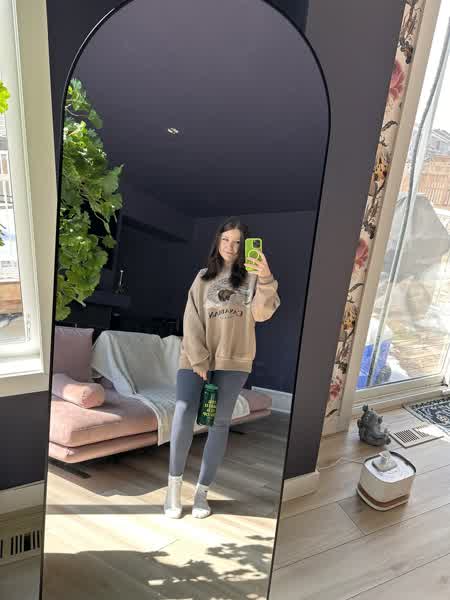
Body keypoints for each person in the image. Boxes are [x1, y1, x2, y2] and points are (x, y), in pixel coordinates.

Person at [163, 216, 280, 518]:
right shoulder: (203, 277)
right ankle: (173, 490)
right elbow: (191, 319)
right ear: (218, 241)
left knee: (219, 423)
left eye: (238, 242)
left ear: (245, 247)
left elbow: (262, 314)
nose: (231, 246)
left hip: (235, 360)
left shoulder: (253, 278)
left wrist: (266, 278)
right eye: (226, 239)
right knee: (184, 412)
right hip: (195, 357)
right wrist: (199, 358)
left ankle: (202, 493)